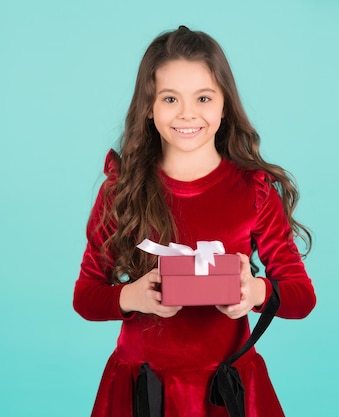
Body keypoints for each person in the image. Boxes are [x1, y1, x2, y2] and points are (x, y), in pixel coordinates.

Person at [73, 25, 316, 417]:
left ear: (224, 105)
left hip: (226, 389)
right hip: (143, 390)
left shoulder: (254, 192)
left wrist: (253, 292)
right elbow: (85, 296)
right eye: (170, 98)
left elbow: (302, 296)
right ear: (149, 108)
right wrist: (131, 297)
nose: (187, 113)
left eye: (203, 97)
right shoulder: (121, 191)